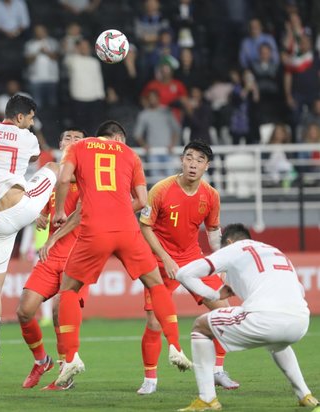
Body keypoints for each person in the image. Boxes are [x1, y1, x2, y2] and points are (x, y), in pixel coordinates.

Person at [51, 120, 192, 388]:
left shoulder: (79, 147)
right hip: (127, 228)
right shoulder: (130, 154)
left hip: (94, 229)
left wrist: (59, 211)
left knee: (69, 289)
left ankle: (71, 358)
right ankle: (175, 346)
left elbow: (63, 179)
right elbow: (141, 200)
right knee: (156, 284)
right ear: (118, 138)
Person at [176, 224, 319, 411]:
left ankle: (207, 399)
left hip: (265, 318)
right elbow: (298, 289)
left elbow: (183, 274)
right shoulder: (273, 251)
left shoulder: (234, 248)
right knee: (277, 343)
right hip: (300, 321)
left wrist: (212, 295)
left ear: (228, 241)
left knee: (201, 327)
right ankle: (305, 395)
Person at [136, 141, 238, 395]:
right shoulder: (161, 190)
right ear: (182, 160)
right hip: (160, 261)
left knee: (224, 312)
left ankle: (218, 371)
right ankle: (150, 379)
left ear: (207, 165)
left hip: (193, 258)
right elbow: (145, 226)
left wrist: (220, 263)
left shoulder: (211, 195)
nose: (193, 164)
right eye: (189, 158)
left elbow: (213, 231)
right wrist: (165, 257)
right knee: (154, 321)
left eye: (199, 159)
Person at [0, 94, 59, 381]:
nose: (31, 124)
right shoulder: (28, 138)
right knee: (55, 167)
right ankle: (53, 211)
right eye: (30, 119)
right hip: (20, 209)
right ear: (20, 117)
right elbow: (36, 156)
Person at [16, 127, 86, 390]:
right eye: (67, 137)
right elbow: (38, 206)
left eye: (78, 140)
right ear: (60, 142)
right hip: (51, 255)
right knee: (24, 311)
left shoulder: (88, 178)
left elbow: (80, 215)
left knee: (59, 312)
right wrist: (38, 214)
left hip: (78, 256)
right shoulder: (51, 175)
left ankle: (64, 373)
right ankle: (40, 360)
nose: (72, 142)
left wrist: (54, 237)